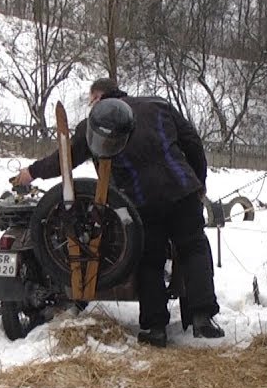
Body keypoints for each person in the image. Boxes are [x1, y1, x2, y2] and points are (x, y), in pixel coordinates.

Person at [16, 77, 224, 347]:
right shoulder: (158, 105)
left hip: (140, 201)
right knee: (194, 248)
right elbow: (192, 143)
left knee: (150, 260)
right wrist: (198, 181)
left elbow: (65, 157)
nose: (91, 107)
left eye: (91, 101)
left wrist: (31, 172)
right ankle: (202, 317)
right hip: (182, 191)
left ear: (100, 97)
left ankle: (155, 328)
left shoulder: (99, 122)